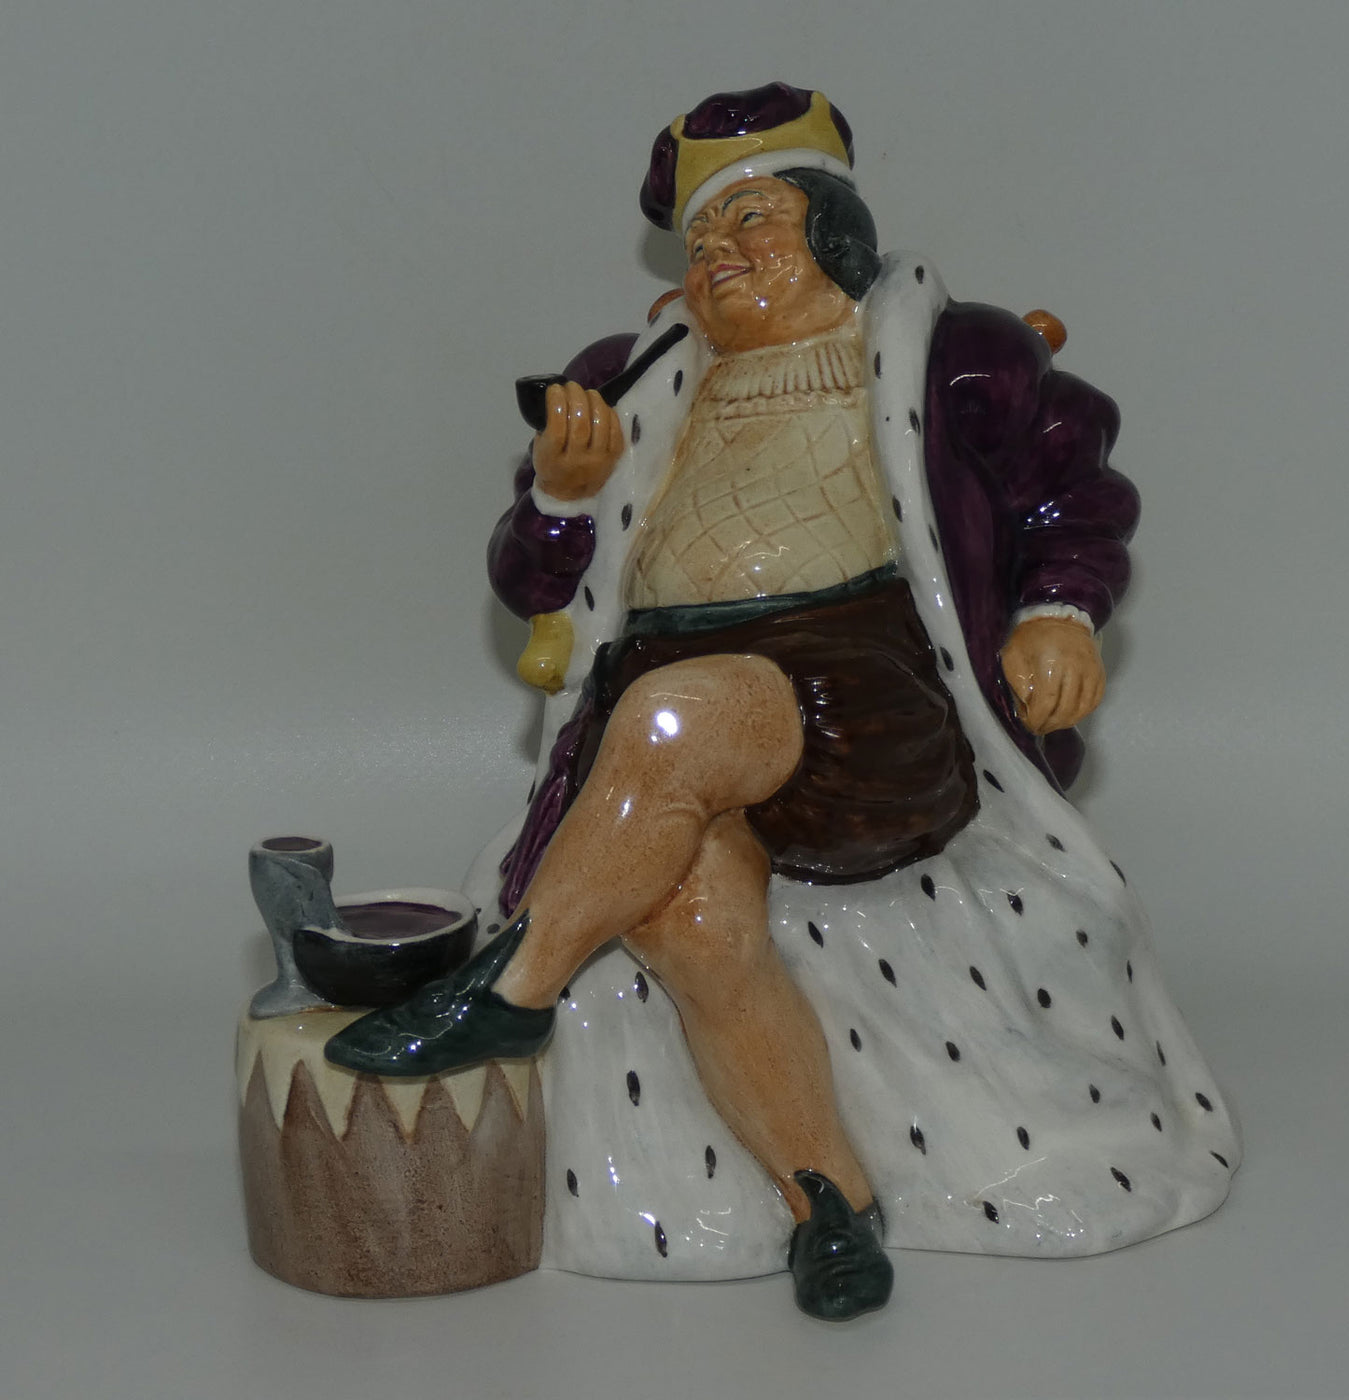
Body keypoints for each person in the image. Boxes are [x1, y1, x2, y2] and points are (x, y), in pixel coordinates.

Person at [328, 84, 1238, 1320]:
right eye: (700, 237)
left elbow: (1065, 482)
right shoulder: (633, 381)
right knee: (694, 925)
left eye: (751, 218)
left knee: (677, 714)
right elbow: (529, 581)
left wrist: (1058, 610)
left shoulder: (944, 352)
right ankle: (830, 1206)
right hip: (662, 701)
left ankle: (510, 992)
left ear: (833, 229)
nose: (718, 253)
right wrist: (560, 492)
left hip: (854, 689)